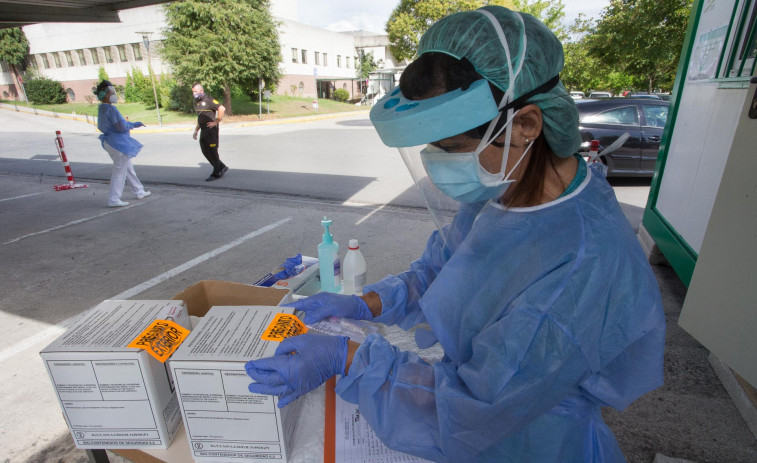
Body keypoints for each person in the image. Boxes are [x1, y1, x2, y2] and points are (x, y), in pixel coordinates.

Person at [245, 6, 665, 463]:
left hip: (531, 441)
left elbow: (481, 402)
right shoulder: (508, 187)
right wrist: (366, 303)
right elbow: (446, 269)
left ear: (525, 125)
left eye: (452, 149)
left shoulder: (584, 261)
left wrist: (344, 360)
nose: (437, 162)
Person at [95, 80, 151, 207]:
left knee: (128, 168)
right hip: (118, 143)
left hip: (111, 142)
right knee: (119, 171)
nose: (114, 94)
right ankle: (114, 199)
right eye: (112, 92)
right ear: (107, 95)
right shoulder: (111, 109)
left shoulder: (102, 109)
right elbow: (120, 126)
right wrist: (133, 125)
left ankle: (139, 190)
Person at [192, 83, 228, 181]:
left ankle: (217, 172)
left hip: (211, 131)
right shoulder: (198, 102)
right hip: (204, 130)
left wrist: (216, 121)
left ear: (201, 91)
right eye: (193, 92)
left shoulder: (209, 100)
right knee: (205, 150)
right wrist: (196, 130)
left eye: (195, 91)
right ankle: (221, 166)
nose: (194, 94)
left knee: (212, 151)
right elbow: (201, 118)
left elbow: (222, 108)